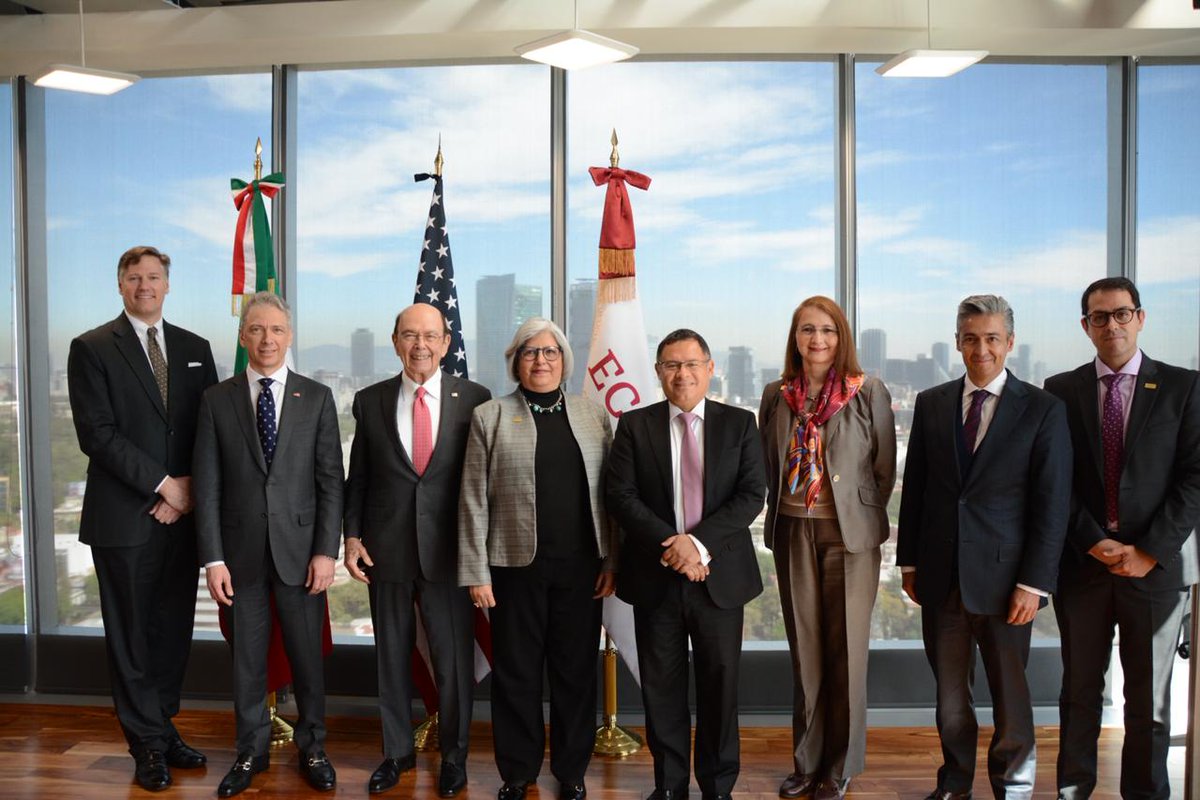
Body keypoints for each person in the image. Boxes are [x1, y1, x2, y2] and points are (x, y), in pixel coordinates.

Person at [897, 295, 1071, 800]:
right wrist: (910, 562)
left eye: (992, 338)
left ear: (1010, 343)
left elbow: (1051, 505)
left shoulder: (1043, 410)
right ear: (957, 343)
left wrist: (1034, 585)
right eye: (970, 338)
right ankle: (954, 785)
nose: (981, 349)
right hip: (941, 579)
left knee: (1010, 700)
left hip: (1007, 586)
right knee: (950, 700)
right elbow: (918, 491)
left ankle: (1012, 787)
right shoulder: (931, 403)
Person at [67, 245, 218, 792]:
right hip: (124, 519)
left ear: (168, 284)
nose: (145, 285)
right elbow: (98, 434)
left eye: (154, 276)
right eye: (134, 277)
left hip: (181, 517)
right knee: (131, 635)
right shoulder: (91, 348)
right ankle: (146, 747)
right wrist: (164, 485)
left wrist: (189, 492)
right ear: (120, 285)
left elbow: (211, 429)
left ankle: (162, 726)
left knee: (172, 631)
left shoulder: (195, 348)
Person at [1045, 277, 1200, 800]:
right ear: (1085, 326)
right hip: (1084, 565)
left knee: (1148, 705)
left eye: (1121, 314)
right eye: (1099, 316)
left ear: (1141, 317)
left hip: (1156, 569)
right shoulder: (1060, 391)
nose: (1111, 324)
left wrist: (1150, 549)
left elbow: (1196, 477)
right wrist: (1092, 541)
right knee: (1079, 694)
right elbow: (1054, 478)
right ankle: (1073, 791)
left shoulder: (1184, 387)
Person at [193, 291, 344, 797]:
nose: (266, 339)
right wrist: (212, 558)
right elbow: (208, 484)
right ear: (243, 337)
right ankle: (250, 751)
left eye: (276, 330)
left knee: (307, 660)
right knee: (247, 664)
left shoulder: (317, 397)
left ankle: (315, 747)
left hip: (302, 556)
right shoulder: (217, 400)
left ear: (289, 336)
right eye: (256, 330)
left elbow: (331, 482)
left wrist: (327, 552)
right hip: (238, 558)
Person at [458, 317, 615, 800]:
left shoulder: (593, 416)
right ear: (515, 362)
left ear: (564, 361)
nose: (540, 361)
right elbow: (472, 499)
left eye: (549, 352)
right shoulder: (491, 416)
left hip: (582, 569)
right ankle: (518, 773)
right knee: (517, 675)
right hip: (512, 569)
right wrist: (476, 572)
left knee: (574, 674)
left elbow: (610, 496)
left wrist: (612, 561)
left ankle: (571, 773)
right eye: (530, 353)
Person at [606, 328, 766, 800]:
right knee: (662, 693)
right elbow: (621, 495)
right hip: (655, 579)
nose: (683, 374)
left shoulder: (740, 424)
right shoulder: (634, 425)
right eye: (672, 365)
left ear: (710, 368)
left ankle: (718, 788)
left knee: (720, 690)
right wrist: (672, 545)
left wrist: (696, 546)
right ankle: (670, 786)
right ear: (658, 373)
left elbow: (750, 495)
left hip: (720, 580)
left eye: (692, 363)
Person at [344, 302, 491, 796]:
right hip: (385, 551)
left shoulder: (475, 398)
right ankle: (396, 754)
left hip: (451, 553)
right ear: (395, 341)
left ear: (446, 342)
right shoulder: (369, 400)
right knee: (390, 659)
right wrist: (350, 537)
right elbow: (358, 478)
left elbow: (482, 483)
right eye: (410, 335)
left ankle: (454, 759)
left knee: (452, 664)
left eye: (430, 335)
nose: (420, 345)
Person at [758, 297, 896, 800]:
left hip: (850, 537)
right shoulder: (776, 395)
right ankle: (807, 761)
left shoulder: (867, 391)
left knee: (846, 654)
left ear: (842, 338)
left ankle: (840, 766)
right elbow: (767, 467)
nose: (817, 340)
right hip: (794, 531)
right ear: (794, 338)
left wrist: (853, 515)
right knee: (807, 654)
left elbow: (883, 471)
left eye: (828, 331)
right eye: (806, 330)